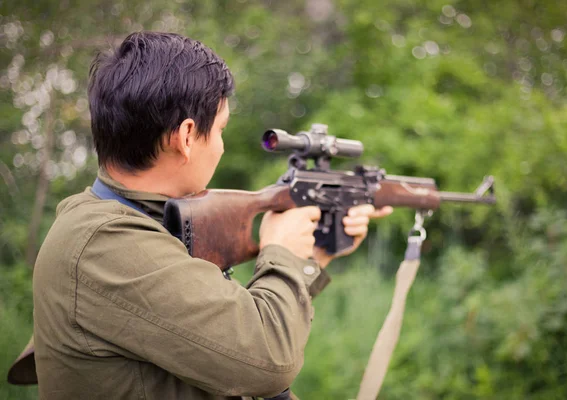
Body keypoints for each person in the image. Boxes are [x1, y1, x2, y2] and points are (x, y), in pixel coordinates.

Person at [32, 31, 391, 400]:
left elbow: (223, 342)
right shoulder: (105, 242)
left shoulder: (130, 221)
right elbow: (267, 361)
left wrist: (311, 259)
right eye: (220, 130)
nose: (221, 146)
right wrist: (282, 252)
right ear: (187, 136)